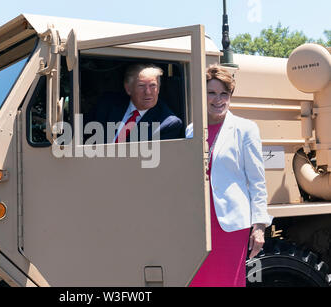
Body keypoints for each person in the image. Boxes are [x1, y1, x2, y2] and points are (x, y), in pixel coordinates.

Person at [186, 64, 273, 287]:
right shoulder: (191, 130)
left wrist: (260, 226)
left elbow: (257, 181)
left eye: (224, 93)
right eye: (212, 93)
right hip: (197, 225)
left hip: (230, 226)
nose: (218, 99)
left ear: (230, 96)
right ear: (202, 95)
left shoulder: (245, 129)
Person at [88, 63, 183, 143]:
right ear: (128, 88)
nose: (148, 92)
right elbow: (85, 137)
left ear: (158, 89)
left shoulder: (168, 124)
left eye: (153, 85)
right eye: (141, 86)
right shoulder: (107, 103)